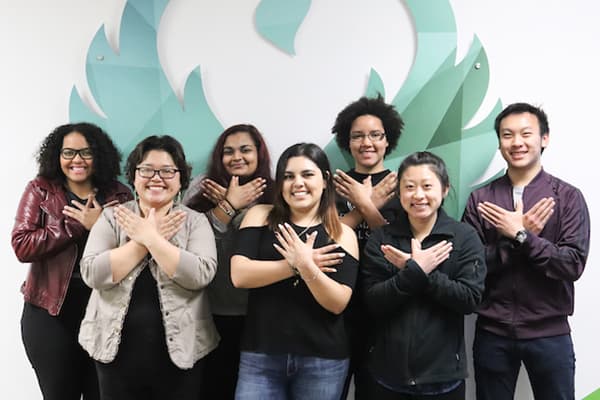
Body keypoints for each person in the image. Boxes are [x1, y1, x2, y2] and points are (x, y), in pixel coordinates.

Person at [461, 103, 590, 400]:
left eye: (525, 133)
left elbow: (572, 264)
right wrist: (510, 242)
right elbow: (468, 267)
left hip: (550, 333)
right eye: (507, 135)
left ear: (544, 138)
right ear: (499, 142)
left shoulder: (568, 197)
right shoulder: (482, 198)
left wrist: (523, 236)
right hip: (493, 333)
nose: (516, 142)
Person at [78, 135, 219, 400]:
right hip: (113, 353)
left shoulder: (195, 222)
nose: (156, 177)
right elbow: (92, 273)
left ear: (180, 180)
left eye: (167, 171)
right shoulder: (113, 217)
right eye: (146, 170)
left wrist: (152, 238)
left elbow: (201, 274)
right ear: (133, 177)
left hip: (182, 353)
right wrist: (144, 241)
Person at [11, 122, 132, 400]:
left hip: (105, 313)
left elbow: (135, 253)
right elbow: (22, 245)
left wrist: (101, 224)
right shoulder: (40, 190)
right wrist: (75, 227)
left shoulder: (119, 194)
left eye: (85, 153)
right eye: (68, 153)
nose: (76, 160)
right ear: (57, 155)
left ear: (99, 155)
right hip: (50, 313)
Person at [230, 143, 359, 400]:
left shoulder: (341, 233)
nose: (297, 183)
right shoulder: (260, 215)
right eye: (288, 176)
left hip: (322, 361)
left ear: (325, 181)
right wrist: (295, 265)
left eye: (307, 175)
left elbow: (337, 302)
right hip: (260, 356)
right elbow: (240, 275)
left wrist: (306, 266)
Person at [362, 151, 486, 399]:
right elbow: (372, 301)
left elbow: (470, 300)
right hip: (388, 376)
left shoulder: (464, 237)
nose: (418, 195)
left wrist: (421, 273)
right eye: (409, 187)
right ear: (399, 192)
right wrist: (415, 272)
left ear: (444, 189)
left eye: (427, 186)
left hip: (443, 378)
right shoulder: (381, 238)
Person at [184, 124, 274, 399]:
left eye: (245, 150)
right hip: (208, 311)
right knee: (212, 388)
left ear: (259, 154)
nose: (237, 157)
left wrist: (236, 207)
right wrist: (226, 207)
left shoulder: (276, 193)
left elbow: (266, 249)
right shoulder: (201, 189)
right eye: (228, 151)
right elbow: (192, 247)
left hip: (259, 315)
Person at [331, 94, 404, 399]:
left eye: (376, 135)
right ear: (347, 143)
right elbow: (324, 240)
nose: (367, 143)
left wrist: (366, 206)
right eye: (357, 136)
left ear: (388, 141)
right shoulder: (333, 186)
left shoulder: (403, 185)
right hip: (337, 304)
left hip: (384, 304)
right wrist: (363, 204)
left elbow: (400, 249)